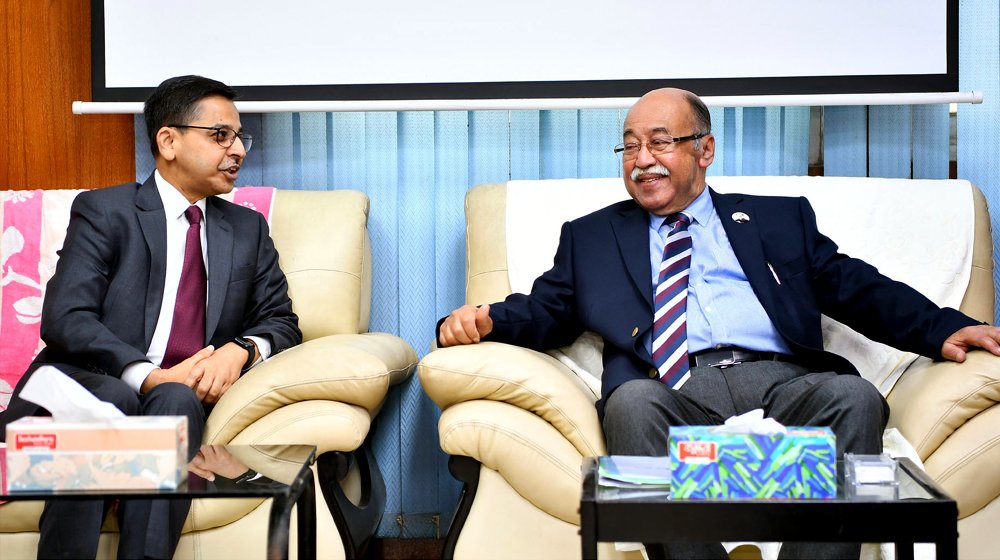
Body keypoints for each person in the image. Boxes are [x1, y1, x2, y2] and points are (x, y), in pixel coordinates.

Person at [437, 87, 1000, 559]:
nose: (641, 159)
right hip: (672, 387)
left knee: (855, 398)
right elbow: (546, 310)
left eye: (661, 141)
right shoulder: (592, 237)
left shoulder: (778, 219)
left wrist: (943, 327)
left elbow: (855, 287)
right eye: (629, 146)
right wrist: (483, 321)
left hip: (784, 382)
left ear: (704, 149)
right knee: (630, 405)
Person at [0, 75, 301, 559]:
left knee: (176, 400)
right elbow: (66, 318)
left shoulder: (246, 228)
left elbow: (281, 321)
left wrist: (240, 351)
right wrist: (148, 375)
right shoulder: (105, 211)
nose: (238, 150)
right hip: (89, 382)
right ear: (168, 141)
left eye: (240, 137)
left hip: (176, 397)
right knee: (115, 397)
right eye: (220, 135)